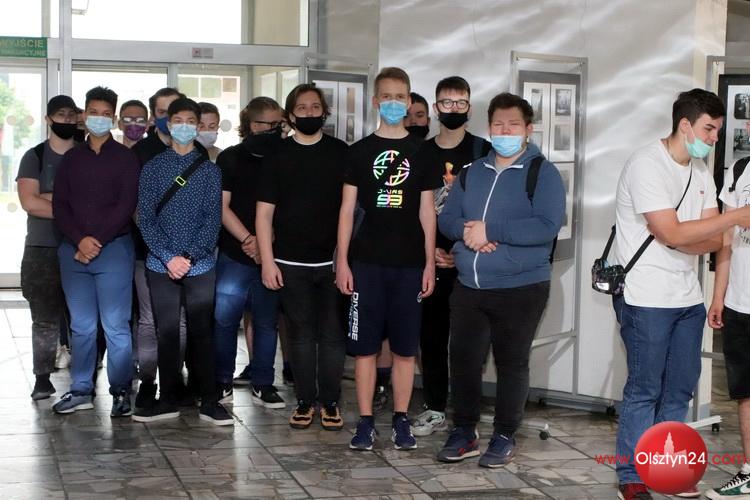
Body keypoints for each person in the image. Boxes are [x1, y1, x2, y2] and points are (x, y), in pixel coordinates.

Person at [610, 89, 750, 500]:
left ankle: (665, 470)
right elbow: (672, 230)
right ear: (684, 125)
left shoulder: (701, 170)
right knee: (645, 389)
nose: (713, 138)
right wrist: (734, 217)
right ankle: (631, 476)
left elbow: (711, 238)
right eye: (708, 129)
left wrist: (684, 236)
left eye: (718, 130)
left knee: (680, 389)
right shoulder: (646, 164)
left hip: (687, 297)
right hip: (645, 297)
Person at [436, 92, 563, 467]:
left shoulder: (543, 173)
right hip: (469, 286)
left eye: (513, 125)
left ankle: (505, 435)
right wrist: (470, 231)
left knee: (511, 363)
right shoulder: (471, 172)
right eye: (498, 125)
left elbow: (546, 226)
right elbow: (447, 219)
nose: (505, 131)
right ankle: (464, 431)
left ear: (528, 129)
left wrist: (491, 230)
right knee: (463, 361)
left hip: (521, 288)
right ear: (489, 128)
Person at [336, 67, 441, 451]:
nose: (393, 103)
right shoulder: (359, 152)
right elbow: (347, 211)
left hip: (410, 264)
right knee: (365, 349)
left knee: (404, 349)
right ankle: (365, 421)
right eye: (387, 96)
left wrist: (429, 263)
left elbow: (427, 211)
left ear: (409, 102)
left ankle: (400, 419)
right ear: (375, 101)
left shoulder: (423, 152)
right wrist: (342, 261)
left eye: (400, 97)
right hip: (366, 263)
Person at [133, 97, 231, 425]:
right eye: (179, 120)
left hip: (199, 264)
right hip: (161, 264)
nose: (185, 126)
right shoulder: (152, 168)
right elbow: (145, 218)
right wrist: (168, 257)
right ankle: (168, 398)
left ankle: (209, 400)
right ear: (168, 123)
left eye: (191, 121)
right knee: (167, 332)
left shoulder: (210, 171)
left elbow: (212, 220)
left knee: (203, 332)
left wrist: (188, 256)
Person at [256, 83, 349, 430]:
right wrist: (268, 261)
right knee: (300, 335)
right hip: (290, 263)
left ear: (325, 112)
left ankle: (331, 402)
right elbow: (264, 214)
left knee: (333, 335)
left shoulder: (341, 153)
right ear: (290, 115)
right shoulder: (277, 156)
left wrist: (345, 258)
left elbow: (350, 210)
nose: (309, 113)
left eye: (315, 107)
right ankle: (306, 401)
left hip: (333, 263)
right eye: (302, 108)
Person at [51, 86, 140, 417]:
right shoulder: (72, 158)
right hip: (73, 253)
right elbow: (60, 206)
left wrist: (95, 241)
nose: (99, 118)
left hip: (113, 249)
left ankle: (120, 391)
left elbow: (126, 205)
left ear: (113, 118)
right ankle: (81, 390)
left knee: (116, 325)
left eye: (106, 114)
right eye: (93, 113)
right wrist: (80, 241)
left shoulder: (125, 158)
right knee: (82, 326)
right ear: (83, 116)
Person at [412, 76, 492, 438]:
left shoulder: (483, 151)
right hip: (430, 261)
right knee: (431, 338)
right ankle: (433, 408)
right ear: (436, 107)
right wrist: (430, 251)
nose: (454, 109)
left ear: (469, 108)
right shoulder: (421, 152)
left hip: (471, 262)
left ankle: (465, 412)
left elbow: (491, 209)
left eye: (460, 103)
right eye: (447, 102)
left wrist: (460, 252)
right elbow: (413, 210)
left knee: (468, 343)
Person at [212, 96, 286, 409]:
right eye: (266, 125)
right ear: (250, 124)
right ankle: (221, 382)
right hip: (235, 252)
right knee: (225, 320)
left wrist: (266, 241)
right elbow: (221, 206)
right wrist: (249, 239)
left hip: (273, 254)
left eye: (278, 125)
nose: (273, 130)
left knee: (267, 322)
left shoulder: (286, 156)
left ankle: (263, 382)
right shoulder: (230, 158)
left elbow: (291, 207)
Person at [16, 95, 78, 400]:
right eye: (60, 114)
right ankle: (42, 378)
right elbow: (30, 202)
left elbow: (98, 199)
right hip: (42, 248)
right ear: (48, 119)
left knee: (83, 319)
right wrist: (74, 208)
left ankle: (85, 377)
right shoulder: (35, 156)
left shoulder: (86, 154)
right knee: (44, 317)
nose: (66, 120)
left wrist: (50, 197)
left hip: (82, 247)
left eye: (71, 115)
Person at [130, 87, 186, 412]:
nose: (169, 118)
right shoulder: (140, 153)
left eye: (174, 111)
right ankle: (148, 382)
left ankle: (173, 383)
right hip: (148, 252)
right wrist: (162, 249)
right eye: (163, 112)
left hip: (188, 257)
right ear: (155, 116)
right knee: (150, 321)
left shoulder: (194, 152)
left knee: (180, 323)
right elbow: (137, 209)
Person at [706, 129, 750, 499]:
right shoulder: (738, 170)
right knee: (745, 392)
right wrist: (719, 296)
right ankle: (749, 470)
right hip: (739, 301)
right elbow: (726, 240)